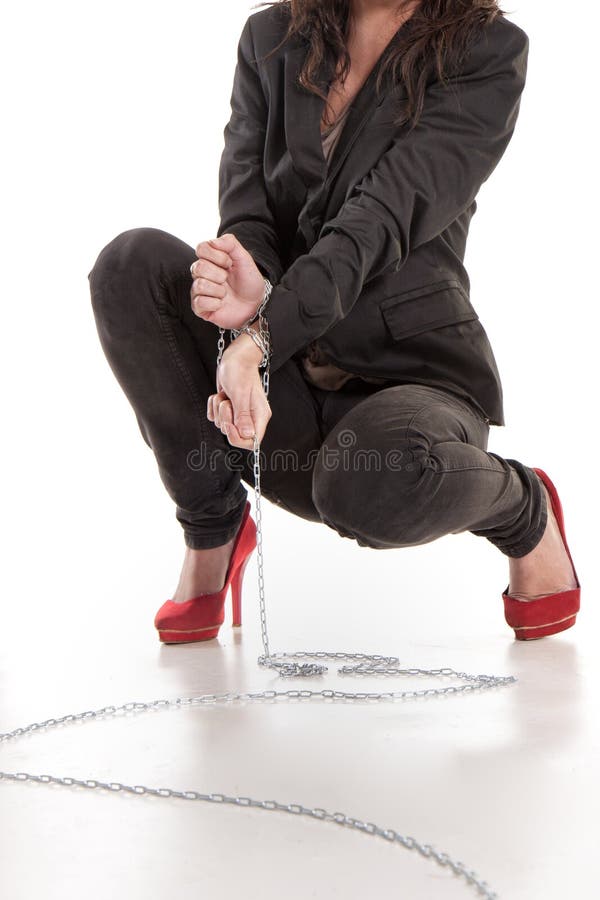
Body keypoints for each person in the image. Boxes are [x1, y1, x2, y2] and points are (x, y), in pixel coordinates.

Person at [87, 0, 580, 645]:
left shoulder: (484, 53)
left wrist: (255, 342)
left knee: (363, 479)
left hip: (410, 389)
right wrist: (244, 306)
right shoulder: (270, 36)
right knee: (132, 266)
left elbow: (376, 224)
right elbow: (248, 217)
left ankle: (521, 508)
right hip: (281, 410)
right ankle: (214, 529)